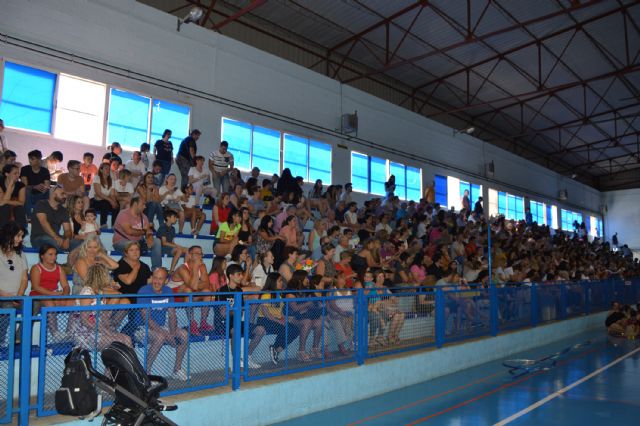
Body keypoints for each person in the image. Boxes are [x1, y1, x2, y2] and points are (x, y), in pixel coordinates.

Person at [138, 267, 189, 380]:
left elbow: (172, 315)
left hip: (162, 326)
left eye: (160, 279)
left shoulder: (168, 291)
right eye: (155, 278)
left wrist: (172, 331)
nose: (156, 281)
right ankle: (145, 373)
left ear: (166, 281)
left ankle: (177, 370)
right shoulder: (144, 291)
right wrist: (168, 335)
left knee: (184, 334)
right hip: (141, 328)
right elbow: (146, 319)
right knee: (160, 337)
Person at [71, 264, 131, 350]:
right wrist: (106, 332)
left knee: (127, 339)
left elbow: (103, 316)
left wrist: (109, 331)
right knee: (123, 341)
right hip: (84, 334)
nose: (109, 278)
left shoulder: (100, 291)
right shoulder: (87, 293)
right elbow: (84, 321)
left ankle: (127, 363)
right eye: (107, 275)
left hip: (99, 331)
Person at [216, 263, 262, 368]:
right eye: (239, 274)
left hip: (236, 321)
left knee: (260, 330)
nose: (241, 277)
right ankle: (236, 362)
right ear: (231, 276)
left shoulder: (239, 290)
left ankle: (246, 357)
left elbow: (240, 312)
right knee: (235, 330)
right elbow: (222, 313)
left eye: (241, 274)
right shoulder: (221, 291)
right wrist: (235, 310)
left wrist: (233, 310)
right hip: (223, 323)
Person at [29, 245, 73, 335]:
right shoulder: (36, 268)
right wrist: (52, 294)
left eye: (55, 254)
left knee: (73, 302)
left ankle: (69, 333)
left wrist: (64, 295)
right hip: (38, 295)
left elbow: (66, 286)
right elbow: (36, 287)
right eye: (50, 254)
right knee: (49, 303)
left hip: (53, 295)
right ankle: (55, 334)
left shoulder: (59, 268)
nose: (54, 257)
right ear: (42, 256)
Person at [258, 272, 300, 365]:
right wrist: (279, 321)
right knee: (285, 328)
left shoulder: (279, 295)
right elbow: (266, 313)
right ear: (273, 282)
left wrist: (284, 319)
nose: (282, 283)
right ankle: (275, 348)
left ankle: (276, 349)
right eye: (280, 281)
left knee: (295, 330)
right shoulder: (266, 295)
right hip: (265, 320)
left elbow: (280, 312)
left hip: (276, 319)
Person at [167, 246, 212, 334]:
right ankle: (192, 324)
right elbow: (193, 287)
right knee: (188, 290)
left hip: (188, 294)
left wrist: (198, 285)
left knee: (207, 291)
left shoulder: (202, 266)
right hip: (174, 296)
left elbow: (207, 284)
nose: (200, 256)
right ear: (190, 256)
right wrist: (195, 268)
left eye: (201, 253)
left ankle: (203, 323)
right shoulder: (182, 268)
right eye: (197, 253)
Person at [112, 196, 162, 270]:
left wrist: (150, 238)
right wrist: (144, 231)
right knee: (132, 246)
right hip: (121, 242)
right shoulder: (124, 214)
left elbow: (148, 231)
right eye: (143, 204)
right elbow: (129, 231)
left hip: (138, 243)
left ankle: (156, 269)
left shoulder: (144, 217)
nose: (145, 207)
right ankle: (121, 269)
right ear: (135, 204)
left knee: (157, 241)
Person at [0, 223, 28, 345]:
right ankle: (0, 340)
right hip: (2, 296)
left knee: (33, 305)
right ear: (8, 235)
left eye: (21, 236)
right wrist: (3, 294)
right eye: (18, 236)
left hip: (17, 296)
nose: (20, 239)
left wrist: (18, 295)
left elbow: (24, 279)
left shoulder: (21, 254)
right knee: (7, 307)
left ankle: (18, 337)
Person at [30, 185, 78, 251]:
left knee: (79, 244)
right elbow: (44, 223)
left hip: (56, 238)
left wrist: (67, 239)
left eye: (65, 194)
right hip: (39, 238)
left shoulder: (63, 210)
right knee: (53, 242)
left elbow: (67, 230)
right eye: (62, 194)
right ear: (53, 195)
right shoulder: (41, 204)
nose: (65, 196)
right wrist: (56, 238)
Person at [20, 149, 51, 219]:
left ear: (39, 160)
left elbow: (47, 185)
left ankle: (46, 215)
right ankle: (29, 216)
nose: (30, 161)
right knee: (26, 190)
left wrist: (45, 187)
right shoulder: (24, 169)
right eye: (29, 159)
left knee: (50, 190)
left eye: (32, 159)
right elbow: (24, 185)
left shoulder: (45, 171)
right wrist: (34, 187)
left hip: (40, 194)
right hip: (29, 194)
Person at [157, 209, 188, 274]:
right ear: (168, 218)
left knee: (188, 250)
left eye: (176, 217)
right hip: (162, 247)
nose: (176, 219)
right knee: (179, 250)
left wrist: (179, 246)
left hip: (170, 247)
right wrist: (177, 246)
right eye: (174, 217)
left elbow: (172, 242)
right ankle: (171, 270)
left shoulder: (173, 228)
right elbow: (164, 243)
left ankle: (186, 268)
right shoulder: (163, 227)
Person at [89, 162, 119, 228]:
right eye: (106, 168)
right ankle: (103, 224)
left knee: (117, 205)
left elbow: (112, 194)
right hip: (94, 201)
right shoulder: (97, 178)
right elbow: (98, 193)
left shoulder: (112, 180)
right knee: (105, 203)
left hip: (105, 200)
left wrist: (114, 202)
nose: (108, 170)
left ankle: (114, 225)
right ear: (101, 170)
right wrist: (111, 201)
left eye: (109, 169)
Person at [0, 164, 26, 228]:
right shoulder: (0, 183)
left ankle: (20, 231)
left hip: (15, 207)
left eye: (18, 173)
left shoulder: (21, 185)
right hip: (2, 208)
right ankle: (3, 230)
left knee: (19, 209)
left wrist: (6, 201)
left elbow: (21, 203)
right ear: (7, 174)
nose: (18, 175)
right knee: (5, 207)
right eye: (15, 173)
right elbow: (1, 204)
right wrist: (10, 184)